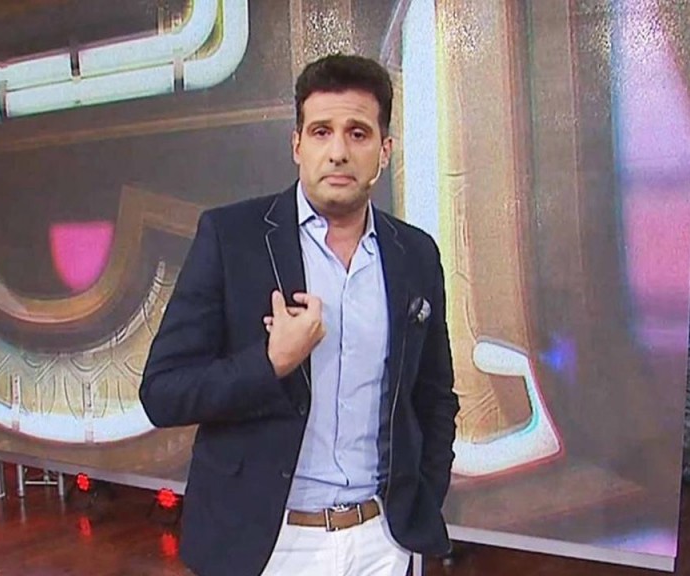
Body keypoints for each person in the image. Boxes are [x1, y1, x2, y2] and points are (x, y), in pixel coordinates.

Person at [139, 53, 458, 576]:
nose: (338, 151)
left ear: (385, 150)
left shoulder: (416, 254)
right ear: (297, 145)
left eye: (358, 133)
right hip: (269, 545)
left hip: (382, 541)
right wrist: (269, 364)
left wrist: (423, 497)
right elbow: (163, 392)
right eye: (321, 132)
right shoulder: (231, 238)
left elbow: (434, 395)